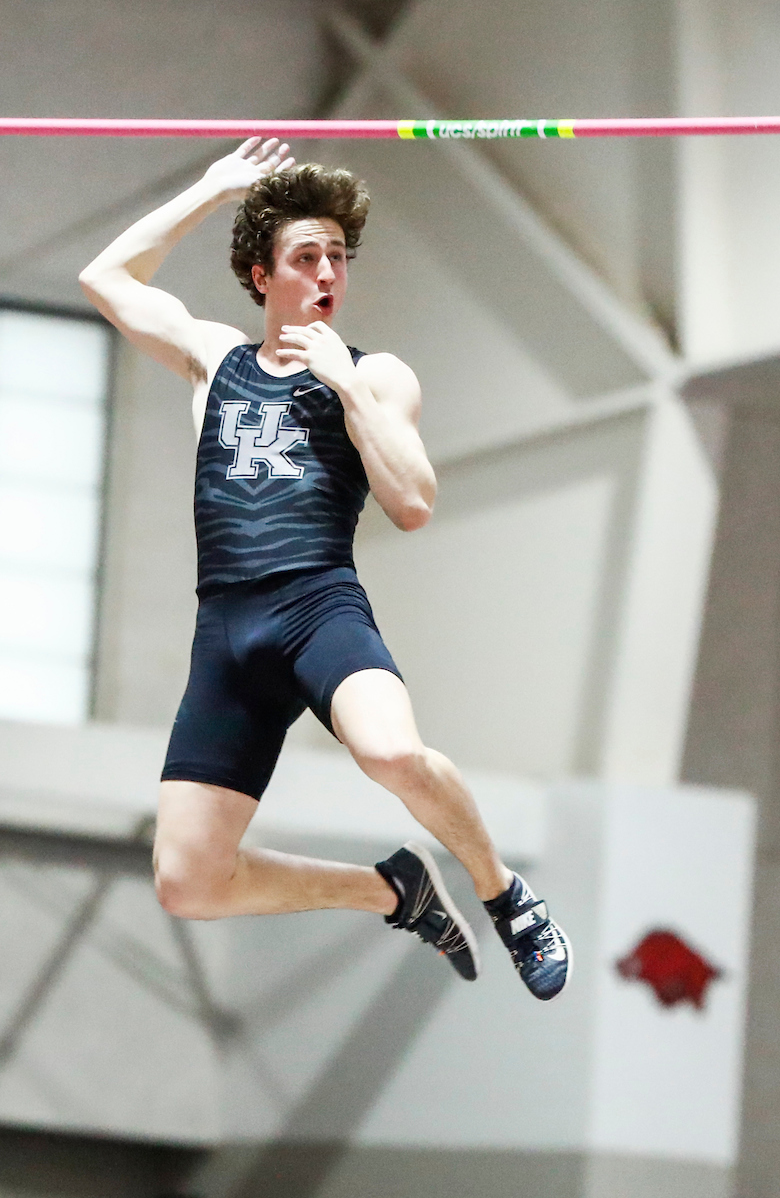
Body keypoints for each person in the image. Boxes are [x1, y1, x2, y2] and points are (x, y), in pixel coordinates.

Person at [79, 137, 571, 1000]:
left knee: (391, 752)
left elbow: (413, 503)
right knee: (188, 882)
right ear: (261, 275)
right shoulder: (215, 358)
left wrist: (347, 388)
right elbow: (105, 279)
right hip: (225, 630)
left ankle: (504, 894)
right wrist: (211, 190)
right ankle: (394, 891)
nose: (327, 274)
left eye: (338, 256)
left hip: (317, 608)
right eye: (306, 257)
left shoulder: (378, 375)